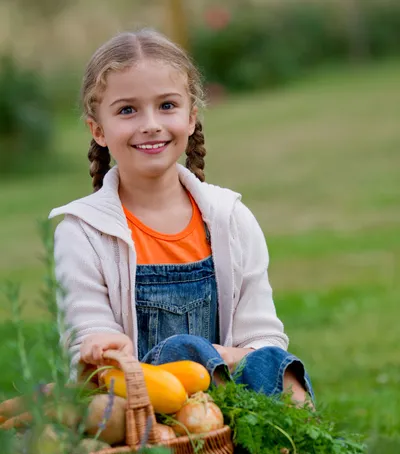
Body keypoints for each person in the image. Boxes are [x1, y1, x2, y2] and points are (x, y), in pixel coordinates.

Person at [49, 29, 314, 407]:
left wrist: (227, 361)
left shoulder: (230, 219)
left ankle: (293, 453)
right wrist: (103, 347)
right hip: (140, 416)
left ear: (191, 118)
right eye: (127, 110)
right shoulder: (83, 233)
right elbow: (87, 343)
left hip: (230, 408)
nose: (151, 123)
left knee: (278, 365)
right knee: (181, 349)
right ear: (98, 130)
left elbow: (264, 339)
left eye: (167, 106)